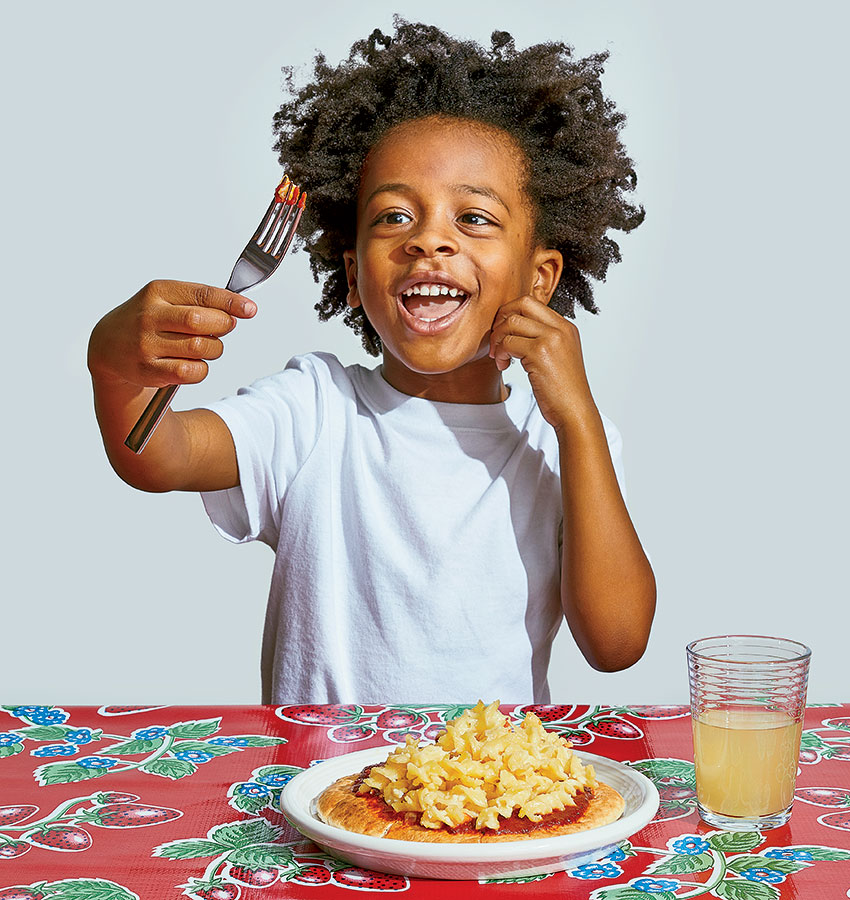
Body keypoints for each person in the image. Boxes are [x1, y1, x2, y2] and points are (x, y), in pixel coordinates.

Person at [87, 21, 656, 705]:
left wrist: (579, 421)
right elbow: (155, 455)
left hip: (495, 800)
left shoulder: (560, 440)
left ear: (540, 279)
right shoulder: (315, 409)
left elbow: (617, 643)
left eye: (473, 218)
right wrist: (114, 367)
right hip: (319, 794)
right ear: (355, 276)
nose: (429, 241)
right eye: (393, 217)